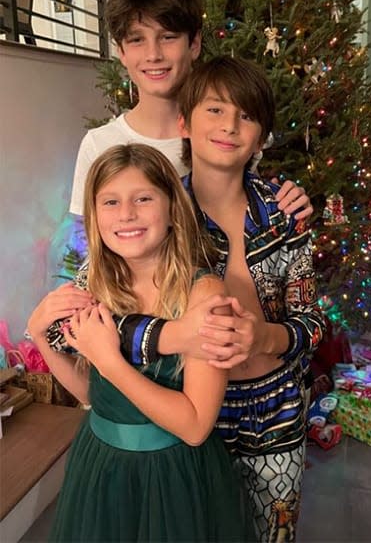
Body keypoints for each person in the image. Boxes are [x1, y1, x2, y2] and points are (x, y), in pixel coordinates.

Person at [101, 56, 326, 542]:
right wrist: (173, 335)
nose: (229, 126)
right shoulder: (155, 214)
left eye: (246, 115)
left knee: (275, 533)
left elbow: (312, 322)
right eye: (215, 110)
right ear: (184, 121)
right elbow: (95, 311)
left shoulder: (286, 214)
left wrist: (265, 336)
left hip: (279, 411)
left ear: (262, 133)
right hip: (194, 413)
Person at [28, 143, 255, 542]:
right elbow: (94, 395)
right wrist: (43, 338)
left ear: (171, 208)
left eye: (143, 198)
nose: (127, 214)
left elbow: (195, 426)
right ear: (95, 216)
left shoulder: (203, 295)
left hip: (171, 477)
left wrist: (110, 361)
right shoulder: (97, 285)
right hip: (99, 465)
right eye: (110, 202)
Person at [69, 0, 312, 226]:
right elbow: (83, 249)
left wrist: (287, 202)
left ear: (194, 44)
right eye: (137, 40)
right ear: (122, 52)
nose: (154, 55)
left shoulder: (223, 134)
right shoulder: (100, 144)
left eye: (168, 37)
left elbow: (248, 209)